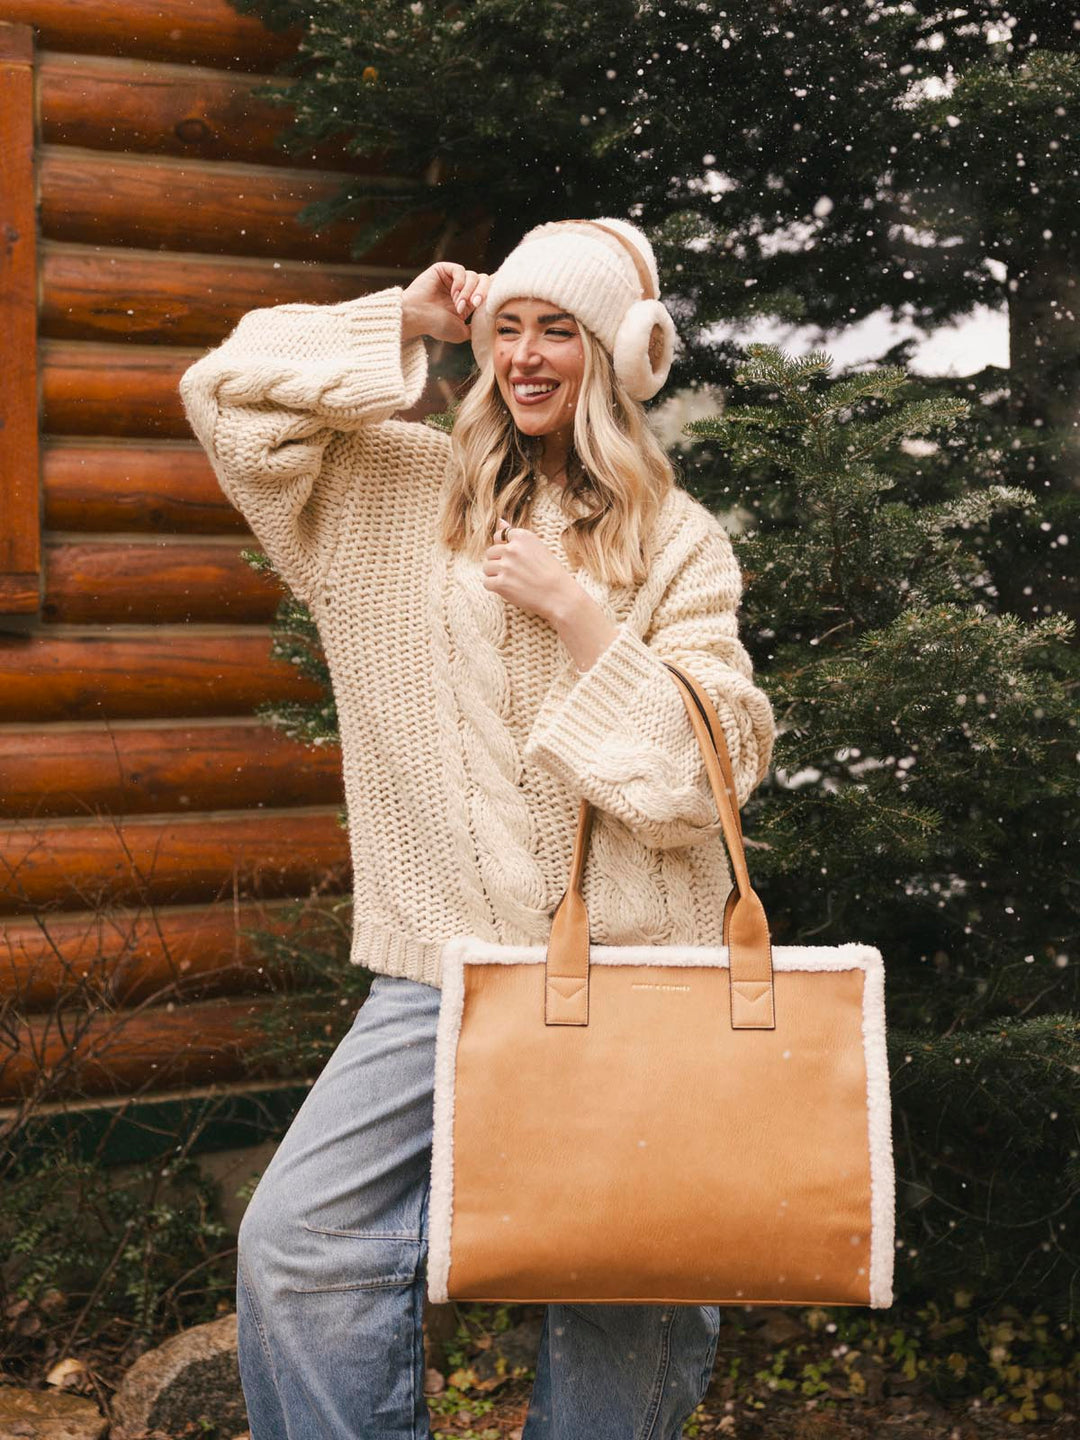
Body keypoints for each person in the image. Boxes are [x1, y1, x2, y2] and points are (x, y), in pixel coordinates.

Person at [178, 217, 777, 1440]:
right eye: (508, 326)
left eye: (559, 328)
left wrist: (579, 619)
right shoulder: (390, 494)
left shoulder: (675, 539)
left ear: (617, 355)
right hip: (436, 969)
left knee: (627, 1287)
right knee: (301, 1242)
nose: (527, 355)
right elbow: (224, 394)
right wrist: (402, 319)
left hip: (633, 974)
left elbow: (707, 771)